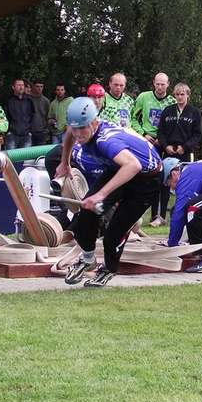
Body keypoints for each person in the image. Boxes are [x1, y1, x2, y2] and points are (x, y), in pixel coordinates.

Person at [56, 97, 163, 287]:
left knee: (115, 231)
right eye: (75, 128)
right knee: (86, 211)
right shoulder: (79, 128)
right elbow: (70, 134)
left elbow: (133, 165)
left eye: (82, 128)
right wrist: (65, 162)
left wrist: (101, 195)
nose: (78, 134)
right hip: (118, 168)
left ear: (94, 122)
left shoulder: (106, 141)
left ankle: (109, 269)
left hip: (146, 179)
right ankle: (87, 258)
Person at [156, 82, 202, 161]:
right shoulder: (167, 110)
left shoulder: (195, 112)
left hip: (186, 153)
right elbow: (160, 131)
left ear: (188, 95)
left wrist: (185, 147)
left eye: (182, 94)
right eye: (177, 94)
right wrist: (166, 146)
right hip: (168, 152)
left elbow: (197, 134)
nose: (179, 97)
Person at [132, 72, 175, 145]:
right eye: (157, 84)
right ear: (154, 83)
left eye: (162, 84)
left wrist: (163, 138)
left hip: (164, 140)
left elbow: (174, 126)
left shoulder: (173, 102)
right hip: (144, 137)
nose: (160, 87)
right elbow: (133, 118)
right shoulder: (143, 97)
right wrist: (143, 134)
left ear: (168, 84)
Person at [5, 78, 34, 149]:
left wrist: (30, 131)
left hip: (26, 135)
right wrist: (8, 131)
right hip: (12, 134)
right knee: (11, 155)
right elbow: (5, 117)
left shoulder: (29, 100)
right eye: (18, 85)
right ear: (13, 87)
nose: (21, 87)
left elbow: (32, 116)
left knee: (26, 155)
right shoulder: (8, 101)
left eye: (22, 85)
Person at [29, 81, 50, 145]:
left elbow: (48, 116)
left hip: (42, 132)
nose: (39, 88)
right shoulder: (28, 99)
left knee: (41, 150)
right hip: (29, 131)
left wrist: (46, 130)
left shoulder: (46, 101)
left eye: (41, 87)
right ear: (33, 87)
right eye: (37, 86)